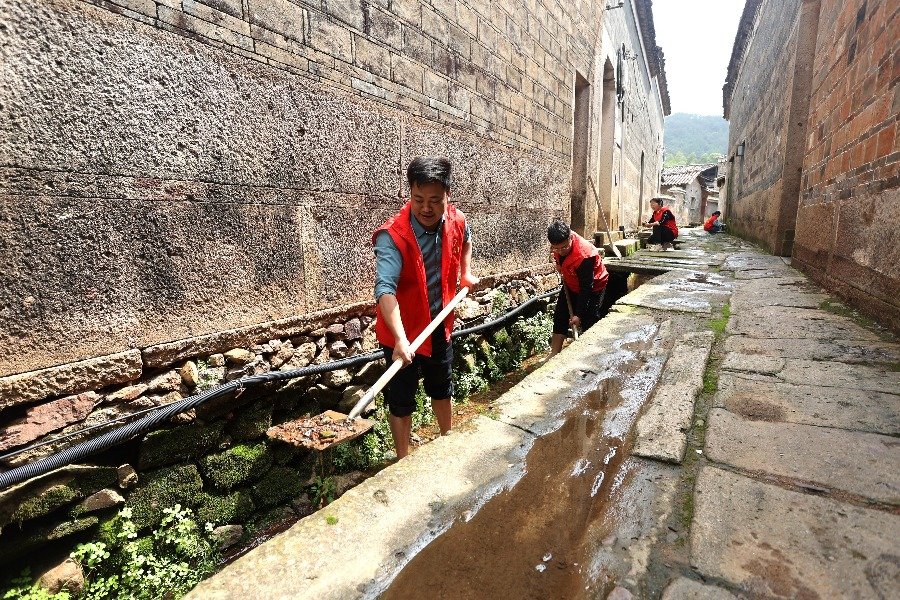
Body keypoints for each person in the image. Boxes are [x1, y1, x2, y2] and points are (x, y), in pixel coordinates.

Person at [372, 156, 479, 459]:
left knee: (442, 387)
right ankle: (402, 461)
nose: (426, 208)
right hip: (401, 334)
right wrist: (401, 341)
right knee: (401, 400)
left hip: (439, 324)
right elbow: (385, 290)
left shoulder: (456, 219)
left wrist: (465, 273)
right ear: (410, 194)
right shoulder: (392, 236)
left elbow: (466, 238)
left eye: (435, 200)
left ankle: (447, 443)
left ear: (448, 195)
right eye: (418, 199)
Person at [547, 220, 609, 358]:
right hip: (570, 281)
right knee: (560, 315)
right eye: (555, 248)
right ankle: (554, 353)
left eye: (563, 248)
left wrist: (578, 314)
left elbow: (586, 287)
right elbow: (559, 256)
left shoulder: (584, 255)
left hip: (594, 287)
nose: (560, 251)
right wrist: (559, 264)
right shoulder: (558, 243)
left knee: (589, 320)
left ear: (570, 238)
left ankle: (589, 355)